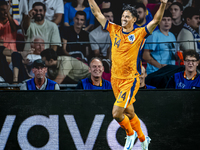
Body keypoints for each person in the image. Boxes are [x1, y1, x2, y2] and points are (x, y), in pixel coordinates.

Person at [88, 0, 168, 150]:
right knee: (130, 112)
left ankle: (130, 134)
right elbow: (97, 13)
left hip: (129, 80)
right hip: (115, 79)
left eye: (127, 17)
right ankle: (144, 138)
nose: (123, 19)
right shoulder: (114, 29)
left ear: (134, 19)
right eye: (122, 16)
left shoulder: (139, 33)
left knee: (117, 113)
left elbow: (156, 20)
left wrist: (162, 4)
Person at [143, 10, 176, 75]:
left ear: (171, 21)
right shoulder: (154, 35)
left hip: (169, 72)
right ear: (158, 22)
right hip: (156, 73)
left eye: (169, 20)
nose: (166, 22)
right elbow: (145, 55)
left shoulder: (172, 35)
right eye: (163, 20)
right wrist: (160, 66)